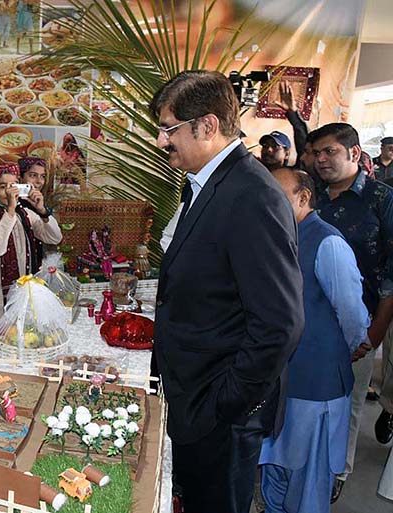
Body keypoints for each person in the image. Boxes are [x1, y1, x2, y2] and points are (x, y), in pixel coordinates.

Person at [150, 71, 304, 513]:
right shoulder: (204, 183)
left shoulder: (252, 195)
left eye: (169, 129)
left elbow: (280, 323)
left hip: (220, 410)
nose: (162, 142)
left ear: (208, 126)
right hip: (197, 398)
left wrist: (228, 401)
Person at [260, 168, 369, 513]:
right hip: (279, 380)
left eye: (276, 195)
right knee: (275, 469)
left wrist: (348, 348)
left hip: (315, 382)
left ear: (303, 197)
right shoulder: (277, 237)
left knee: (308, 480)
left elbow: (351, 312)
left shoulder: (327, 242)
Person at [310, 123, 393, 501]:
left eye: (330, 152)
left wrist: (373, 334)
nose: (321, 159)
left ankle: (336, 473)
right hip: (309, 320)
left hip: (361, 323)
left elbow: (392, 272)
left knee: (348, 401)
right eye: (316, 153)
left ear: (355, 153)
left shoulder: (382, 199)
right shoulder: (311, 198)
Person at [0, 162, 62, 321]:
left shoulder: (25, 213)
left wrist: (42, 211)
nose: (8, 192)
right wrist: (10, 210)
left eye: (13, 186)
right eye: (2, 187)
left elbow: (55, 237)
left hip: (26, 289)